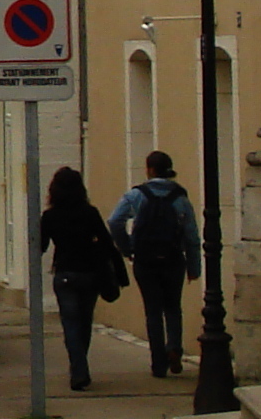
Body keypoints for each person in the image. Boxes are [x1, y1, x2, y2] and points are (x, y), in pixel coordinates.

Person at [109, 151, 201, 378]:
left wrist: (127, 247)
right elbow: (191, 235)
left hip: (145, 260)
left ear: (149, 169)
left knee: (152, 311)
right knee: (173, 307)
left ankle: (158, 362)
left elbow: (115, 221)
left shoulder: (137, 195)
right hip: (173, 260)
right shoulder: (180, 197)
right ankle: (174, 349)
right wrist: (193, 267)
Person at [38, 166, 127, 391]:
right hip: (90, 273)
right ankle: (79, 366)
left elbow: (40, 245)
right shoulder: (89, 212)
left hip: (65, 273)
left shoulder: (50, 216)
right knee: (84, 321)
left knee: (70, 323)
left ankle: (78, 368)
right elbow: (107, 243)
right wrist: (120, 271)